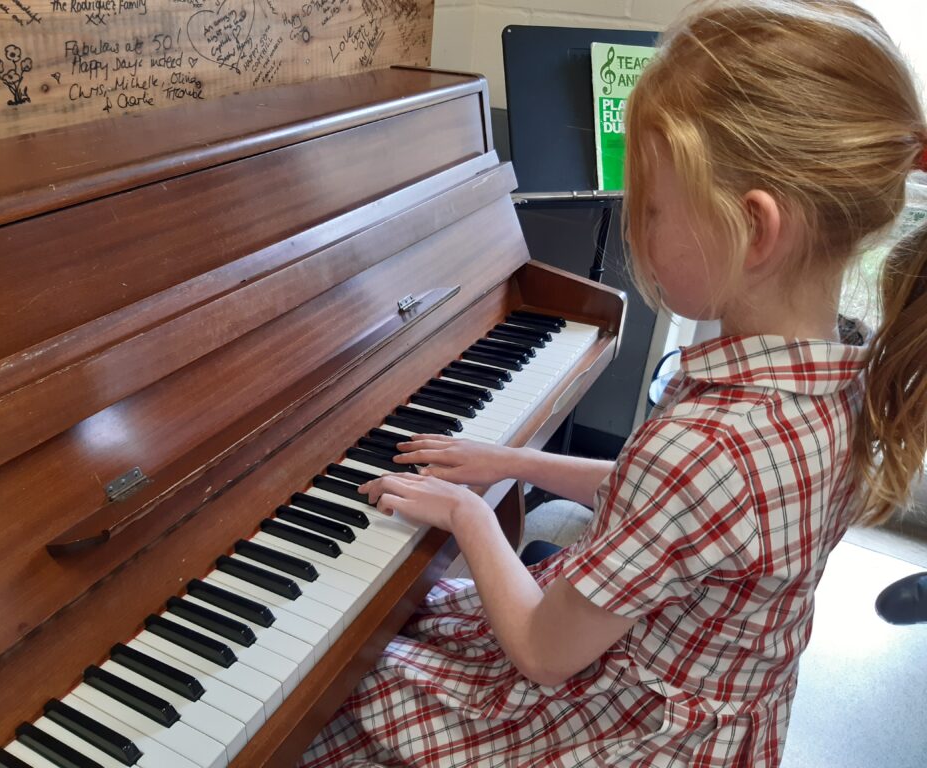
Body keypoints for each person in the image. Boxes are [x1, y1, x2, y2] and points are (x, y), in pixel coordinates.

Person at [299, 1, 927, 765]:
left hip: (618, 726)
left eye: (653, 207)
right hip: (726, 711)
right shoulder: (842, 377)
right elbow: (670, 508)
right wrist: (513, 462)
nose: (636, 226)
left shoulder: (709, 446)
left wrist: (469, 513)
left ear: (755, 230)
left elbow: (540, 649)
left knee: (334, 710)